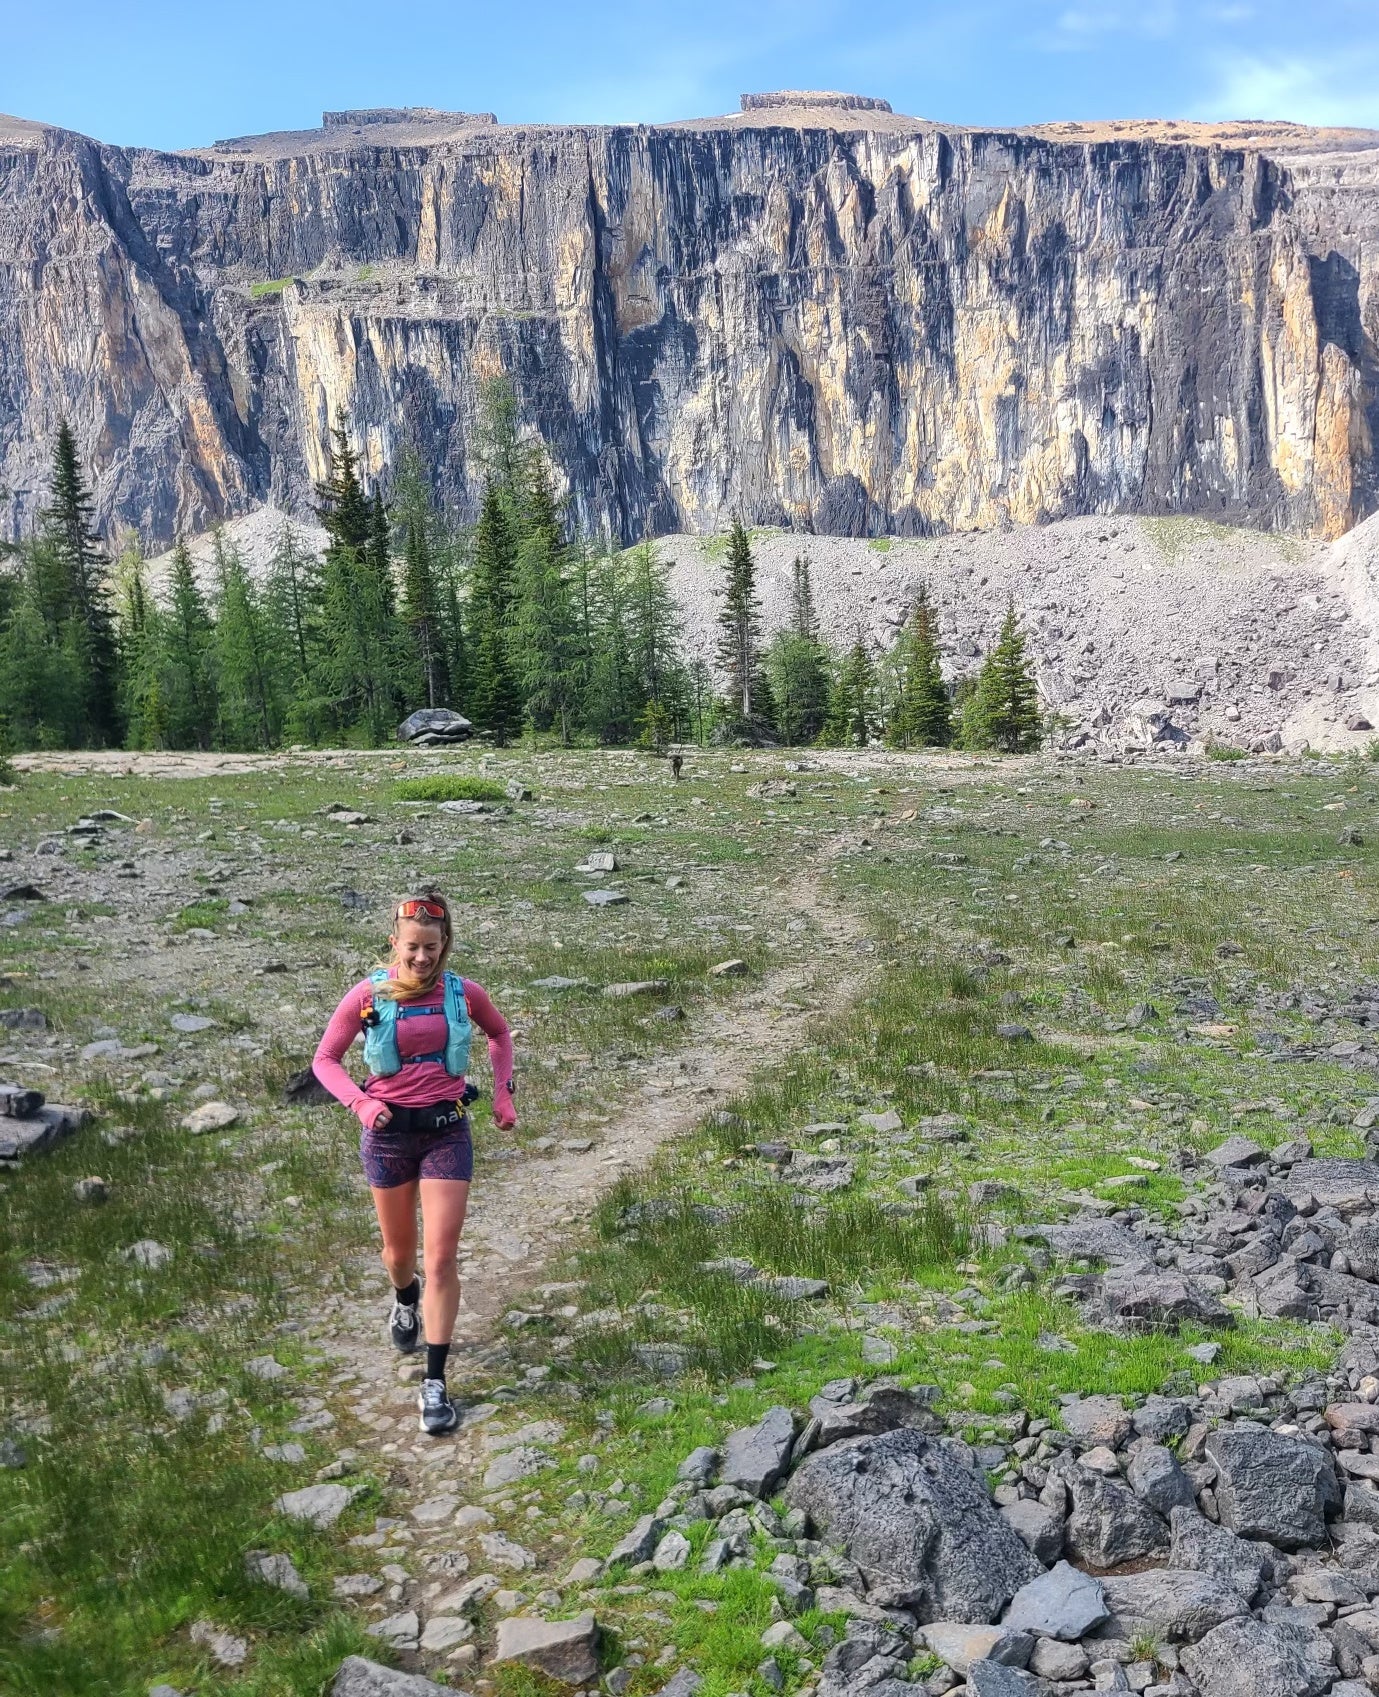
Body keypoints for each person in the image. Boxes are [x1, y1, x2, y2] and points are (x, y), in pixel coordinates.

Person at [313, 891, 516, 1434]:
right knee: (399, 1255)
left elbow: (499, 1034)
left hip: (447, 1132)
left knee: (440, 1259)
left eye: (432, 947)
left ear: (445, 943)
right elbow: (324, 1059)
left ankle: (435, 1382)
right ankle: (404, 1301)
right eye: (412, 948)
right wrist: (361, 1102)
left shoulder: (464, 993)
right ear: (393, 944)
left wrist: (503, 1094)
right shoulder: (367, 995)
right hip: (387, 1138)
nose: (422, 958)